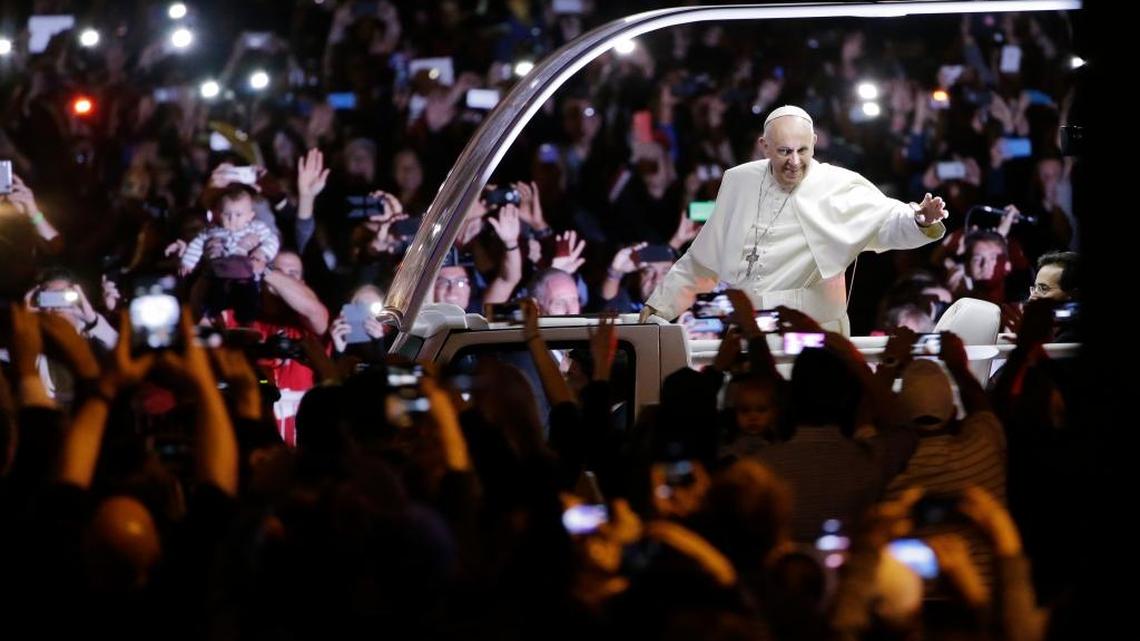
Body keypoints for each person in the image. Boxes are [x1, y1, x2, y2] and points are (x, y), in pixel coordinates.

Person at [641, 105, 948, 334]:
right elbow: (703, 260)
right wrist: (659, 307)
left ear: (814, 142)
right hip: (747, 330)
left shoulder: (838, 184)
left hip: (812, 332)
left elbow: (886, 219)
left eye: (803, 150)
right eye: (784, 151)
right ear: (764, 146)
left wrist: (918, 219)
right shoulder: (738, 181)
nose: (795, 162)